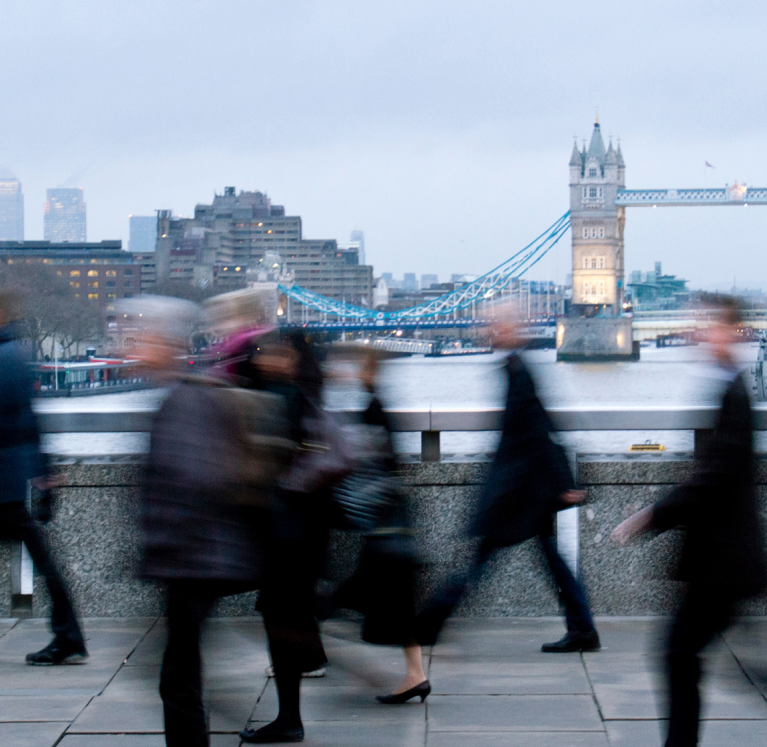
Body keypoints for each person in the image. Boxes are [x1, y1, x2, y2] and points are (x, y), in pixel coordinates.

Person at [130, 296, 288, 747]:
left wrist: (162, 541)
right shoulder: (186, 393)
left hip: (193, 557)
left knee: (176, 677)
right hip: (195, 555)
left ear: (165, 344)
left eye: (142, 339)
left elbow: (199, 477)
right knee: (179, 672)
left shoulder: (183, 400)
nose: (134, 348)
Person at [611, 295, 767, 747]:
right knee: (687, 656)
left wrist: (651, 515)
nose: (700, 330)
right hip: (723, 560)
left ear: (732, 331)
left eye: (710, 323)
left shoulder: (734, 392)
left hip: (725, 561)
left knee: (679, 653)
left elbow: (716, 476)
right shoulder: (728, 386)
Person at [415, 309, 599, 653]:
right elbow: (542, 427)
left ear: (515, 329)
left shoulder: (519, 372)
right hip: (526, 489)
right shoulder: (517, 368)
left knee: (479, 560)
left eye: (497, 324)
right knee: (548, 561)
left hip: (518, 492)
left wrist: (563, 481)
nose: (490, 330)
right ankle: (583, 629)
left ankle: (429, 623)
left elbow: (536, 433)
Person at [0, 290, 87, 665]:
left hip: (3, 479)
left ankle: (69, 635)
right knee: (31, 560)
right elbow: (28, 418)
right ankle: (68, 635)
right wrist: (42, 470)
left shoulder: (1, 357)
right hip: (13, 476)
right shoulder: (18, 354)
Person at [240, 331, 350, 744]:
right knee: (284, 615)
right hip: (303, 531)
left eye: (269, 352)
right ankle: (291, 712)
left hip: (287, 532)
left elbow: (265, 463)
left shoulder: (282, 398)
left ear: (287, 358)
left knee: (280, 617)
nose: (262, 358)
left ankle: (290, 718)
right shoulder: (306, 394)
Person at [322, 346, 429, 704]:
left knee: (337, 600)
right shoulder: (378, 403)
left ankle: (302, 655)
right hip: (392, 525)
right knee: (397, 604)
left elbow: (364, 464)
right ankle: (415, 674)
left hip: (381, 528)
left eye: (355, 367)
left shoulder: (371, 407)